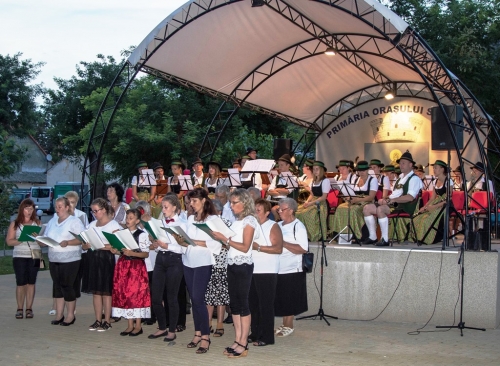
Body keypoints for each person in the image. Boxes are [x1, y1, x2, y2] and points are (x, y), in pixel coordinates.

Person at [211, 189, 258, 358]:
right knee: (235, 305)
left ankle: (244, 342)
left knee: (243, 304)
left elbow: (245, 247)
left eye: (234, 202)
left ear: (244, 203)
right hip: (231, 264)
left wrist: (226, 239)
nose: (231, 206)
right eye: (230, 202)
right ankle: (237, 339)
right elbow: (230, 244)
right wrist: (219, 239)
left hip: (243, 265)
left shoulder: (250, 220)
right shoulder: (236, 220)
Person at [180, 188, 221, 354]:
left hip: (203, 262)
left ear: (204, 200)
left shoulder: (213, 219)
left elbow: (217, 243)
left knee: (198, 298)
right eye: (190, 201)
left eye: (195, 201)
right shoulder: (190, 219)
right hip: (188, 261)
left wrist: (193, 241)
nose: (191, 204)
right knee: (195, 299)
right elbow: (186, 243)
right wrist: (181, 241)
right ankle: (197, 332)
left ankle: (205, 336)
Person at [362, 151, 423, 246]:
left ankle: (385, 239)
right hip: (395, 203)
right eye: (400, 163)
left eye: (403, 163)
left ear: (410, 165)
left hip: (405, 206)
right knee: (366, 208)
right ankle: (373, 237)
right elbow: (394, 194)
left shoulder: (414, 179)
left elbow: (410, 197)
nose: (401, 165)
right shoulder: (400, 178)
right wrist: (385, 199)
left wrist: (392, 200)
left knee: (380, 209)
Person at [147, 195, 186, 342]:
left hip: (174, 260)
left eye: (166, 207)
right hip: (160, 258)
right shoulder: (160, 222)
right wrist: (156, 243)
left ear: (175, 207)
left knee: (171, 297)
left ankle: (172, 330)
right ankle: (162, 327)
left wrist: (167, 246)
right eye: (162, 207)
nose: (163, 210)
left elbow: (184, 247)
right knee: (156, 296)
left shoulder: (182, 223)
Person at [43, 197, 85, 326]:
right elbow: (46, 235)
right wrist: (41, 240)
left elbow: (82, 239)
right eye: (56, 206)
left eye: (60, 206)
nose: (57, 209)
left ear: (67, 207)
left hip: (70, 259)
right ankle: (59, 314)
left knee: (67, 286)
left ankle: (70, 315)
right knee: (57, 286)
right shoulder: (52, 221)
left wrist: (68, 242)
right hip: (54, 258)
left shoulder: (74, 221)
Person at [110, 208, 151, 336]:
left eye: (131, 218)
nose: (128, 220)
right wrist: (116, 251)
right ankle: (129, 324)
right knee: (125, 294)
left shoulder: (141, 234)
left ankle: (138, 325)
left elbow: (145, 253)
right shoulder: (122, 233)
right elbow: (121, 250)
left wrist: (131, 253)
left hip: (135, 267)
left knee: (136, 295)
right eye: (127, 218)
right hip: (123, 266)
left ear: (137, 220)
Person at [249, 198, 283, 347]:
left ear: (267, 212)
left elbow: (278, 248)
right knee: (253, 304)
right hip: (251, 269)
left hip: (267, 270)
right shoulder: (251, 226)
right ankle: (255, 332)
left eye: (258, 210)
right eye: (254, 210)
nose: (255, 213)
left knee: (266, 305)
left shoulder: (272, 226)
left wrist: (258, 247)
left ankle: (267, 336)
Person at [85, 198, 122, 332]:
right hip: (93, 258)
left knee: (106, 291)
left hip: (106, 259)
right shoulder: (92, 224)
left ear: (104, 210)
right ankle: (97, 319)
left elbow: (117, 245)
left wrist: (100, 245)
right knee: (96, 291)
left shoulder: (113, 225)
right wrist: (87, 244)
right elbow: (84, 243)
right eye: (93, 211)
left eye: (96, 211)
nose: (94, 214)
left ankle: (107, 320)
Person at [274, 198, 308, 337]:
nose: (280, 212)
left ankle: (289, 325)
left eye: (283, 209)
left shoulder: (298, 226)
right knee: (282, 297)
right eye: (279, 209)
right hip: (278, 267)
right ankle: (283, 324)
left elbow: (303, 248)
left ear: (291, 210)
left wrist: (284, 243)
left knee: (290, 298)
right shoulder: (278, 225)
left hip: (292, 268)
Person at [6, 199, 42, 320]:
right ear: (22, 209)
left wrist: (38, 239)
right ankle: (20, 308)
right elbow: (9, 241)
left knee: (31, 282)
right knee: (21, 282)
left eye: (31, 209)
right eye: (26, 208)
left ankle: (29, 308)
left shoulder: (37, 223)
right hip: (20, 255)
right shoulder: (15, 224)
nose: (29, 211)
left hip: (35, 254)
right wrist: (20, 240)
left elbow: (43, 243)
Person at [333, 161, 378, 244]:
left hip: (367, 202)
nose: (361, 173)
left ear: (367, 170)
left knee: (353, 210)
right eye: (359, 171)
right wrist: (349, 197)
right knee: (340, 208)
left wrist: (357, 200)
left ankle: (357, 235)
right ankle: (342, 234)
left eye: (363, 171)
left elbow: (371, 197)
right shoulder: (356, 179)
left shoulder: (373, 180)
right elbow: (352, 192)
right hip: (355, 201)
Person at [205, 199, 230, 338]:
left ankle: (220, 324)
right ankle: (207, 322)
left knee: (220, 295)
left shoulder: (226, 223)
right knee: (208, 294)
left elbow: (230, 243)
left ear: (220, 211)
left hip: (221, 262)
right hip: (208, 261)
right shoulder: (206, 223)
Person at [411, 160, 450, 244]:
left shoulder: (448, 181)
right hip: (436, 203)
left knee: (426, 220)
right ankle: (419, 238)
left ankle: (428, 238)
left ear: (442, 169)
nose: (434, 170)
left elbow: (448, 199)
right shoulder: (435, 181)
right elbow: (432, 198)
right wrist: (425, 207)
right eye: (434, 168)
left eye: (436, 168)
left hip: (444, 205)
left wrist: (433, 207)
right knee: (417, 219)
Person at [296, 161, 331, 241]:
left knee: (305, 213)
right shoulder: (313, 181)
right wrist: (307, 202)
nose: (315, 171)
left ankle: (314, 235)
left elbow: (323, 197)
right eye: (314, 169)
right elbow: (311, 194)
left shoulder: (325, 181)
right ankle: (302, 235)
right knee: (298, 211)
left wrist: (311, 203)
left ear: (321, 170)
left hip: (320, 203)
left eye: (317, 169)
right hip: (312, 201)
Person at [267, 154, 298, 221]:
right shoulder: (276, 177)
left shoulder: (293, 178)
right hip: (273, 202)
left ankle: (277, 223)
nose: (279, 167)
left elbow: (287, 192)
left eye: (282, 165)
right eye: (279, 165)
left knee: (274, 209)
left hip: (286, 204)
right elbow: (269, 192)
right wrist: (281, 191)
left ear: (288, 165)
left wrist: (276, 190)